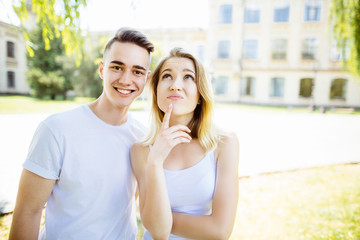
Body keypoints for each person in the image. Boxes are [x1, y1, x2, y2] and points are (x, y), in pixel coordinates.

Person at [9, 27, 154, 240]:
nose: (125, 79)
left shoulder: (143, 139)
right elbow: (27, 212)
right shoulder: (57, 130)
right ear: (101, 69)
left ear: (146, 79)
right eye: (117, 67)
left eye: (137, 71)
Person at [131, 47, 239, 240]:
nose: (175, 85)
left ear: (200, 94)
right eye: (166, 76)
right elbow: (157, 232)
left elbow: (220, 231)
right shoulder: (140, 150)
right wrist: (155, 161)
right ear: (155, 91)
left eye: (188, 77)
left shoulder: (224, 143)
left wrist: (160, 219)